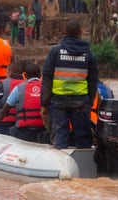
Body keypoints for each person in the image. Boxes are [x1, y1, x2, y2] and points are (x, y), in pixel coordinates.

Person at [40, 18, 99, 149]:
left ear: (65, 33)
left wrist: (44, 103)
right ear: (80, 33)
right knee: (83, 137)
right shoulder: (88, 54)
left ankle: (61, 165)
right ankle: (85, 166)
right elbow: (93, 81)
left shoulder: (55, 52)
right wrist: (88, 100)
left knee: (59, 135)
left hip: (58, 100)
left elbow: (47, 79)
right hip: (81, 101)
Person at [0, 63, 48, 143]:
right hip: (42, 130)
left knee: (11, 130)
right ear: (40, 75)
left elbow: (4, 111)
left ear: (25, 75)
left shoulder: (19, 88)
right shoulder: (47, 89)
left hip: (24, 132)